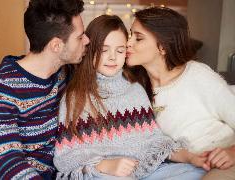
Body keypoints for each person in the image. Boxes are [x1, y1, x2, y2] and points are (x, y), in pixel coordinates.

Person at [54, 14, 207, 180]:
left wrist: (191, 157)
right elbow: (66, 158)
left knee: (193, 172)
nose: (113, 57)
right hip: (101, 174)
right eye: (104, 50)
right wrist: (106, 165)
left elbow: (154, 143)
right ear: (91, 51)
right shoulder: (75, 97)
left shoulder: (135, 91)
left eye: (120, 50)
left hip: (144, 171)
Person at [0, 0, 89, 179]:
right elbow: (8, 165)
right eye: (80, 37)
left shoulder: (62, 75)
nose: (87, 40)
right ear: (56, 46)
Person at [126, 6, 235, 180]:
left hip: (224, 162)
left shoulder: (197, 75)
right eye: (130, 35)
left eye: (138, 38)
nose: (128, 43)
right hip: (185, 167)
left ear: (162, 47)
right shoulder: (135, 87)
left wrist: (232, 152)